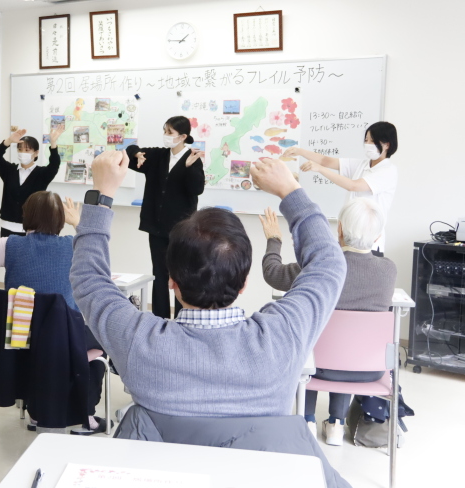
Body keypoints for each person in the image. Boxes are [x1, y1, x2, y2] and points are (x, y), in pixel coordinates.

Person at [70, 152, 351, 488]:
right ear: (245, 282)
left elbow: (89, 277)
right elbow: (329, 265)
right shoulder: (284, 334)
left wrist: (101, 194)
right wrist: (290, 190)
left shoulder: (137, 341)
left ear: (171, 281)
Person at [0, 192, 107, 434]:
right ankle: (86, 417)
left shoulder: (9, 245)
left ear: (26, 216)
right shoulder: (73, 245)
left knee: (43, 351)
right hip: (61, 344)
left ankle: (36, 413)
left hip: (17, 341)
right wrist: (78, 224)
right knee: (99, 350)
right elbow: (98, 252)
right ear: (60, 219)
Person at [259, 198, 396, 445]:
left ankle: (307, 420)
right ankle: (336, 424)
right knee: (349, 347)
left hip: (318, 367)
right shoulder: (389, 270)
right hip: (369, 370)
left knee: (313, 341)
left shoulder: (321, 266)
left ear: (339, 229)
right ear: (377, 237)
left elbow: (272, 273)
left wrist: (274, 239)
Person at [125, 116, 204, 318]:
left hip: (181, 230)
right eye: (165, 131)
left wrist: (188, 168)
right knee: (160, 275)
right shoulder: (159, 156)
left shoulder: (193, 158)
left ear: (183, 136)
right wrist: (137, 154)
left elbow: (197, 189)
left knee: (180, 276)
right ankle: (160, 319)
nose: (165, 136)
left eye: (170, 132)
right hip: (157, 227)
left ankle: (181, 318)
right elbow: (129, 151)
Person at [283, 121, 398, 253]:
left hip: (370, 243)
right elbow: (326, 161)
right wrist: (299, 151)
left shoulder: (387, 171)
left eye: (373, 141)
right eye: (366, 140)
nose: (368, 144)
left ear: (387, 144)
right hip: (347, 239)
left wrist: (320, 169)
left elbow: (353, 186)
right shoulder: (362, 165)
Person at [0, 126, 62, 237]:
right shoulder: (9, 171)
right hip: (7, 225)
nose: (22, 152)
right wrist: (9, 141)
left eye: (27, 150)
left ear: (36, 153)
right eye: (20, 149)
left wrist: (53, 143)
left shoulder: (42, 174)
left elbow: (54, 165)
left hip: (31, 229)